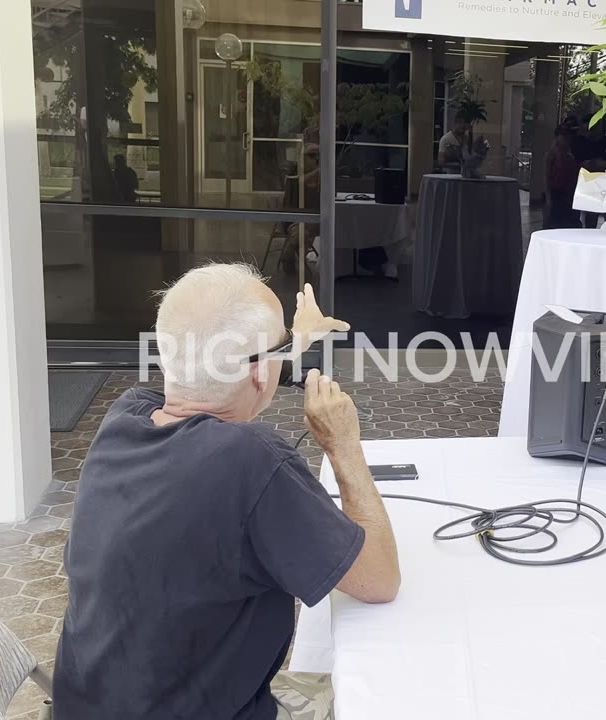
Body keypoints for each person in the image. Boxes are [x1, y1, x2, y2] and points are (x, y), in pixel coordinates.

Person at [54, 266, 400, 720]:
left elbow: (222, 362)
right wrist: (344, 445)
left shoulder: (125, 418)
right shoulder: (253, 463)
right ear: (260, 372)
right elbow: (379, 581)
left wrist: (290, 343)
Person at [545, 129, 582, 229]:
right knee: (555, 218)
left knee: (568, 218)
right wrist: (548, 194)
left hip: (569, 191)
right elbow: (548, 175)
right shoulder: (553, 155)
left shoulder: (571, 156)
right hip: (556, 191)